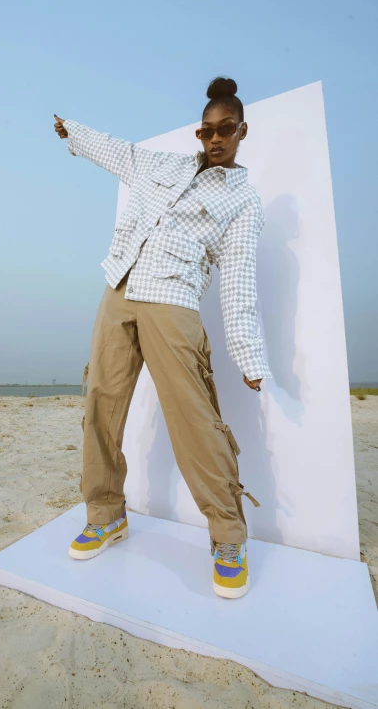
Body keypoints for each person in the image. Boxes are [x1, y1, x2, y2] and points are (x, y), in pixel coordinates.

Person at [53, 76, 272, 599]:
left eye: (225, 130)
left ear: (243, 131)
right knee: (100, 405)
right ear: (198, 134)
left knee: (195, 422)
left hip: (174, 303)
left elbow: (239, 282)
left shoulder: (244, 202)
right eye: (206, 131)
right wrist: (73, 133)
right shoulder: (162, 166)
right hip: (118, 290)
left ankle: (228, 537)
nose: (215, 139)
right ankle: (106, 514)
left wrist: (248, 354)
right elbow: (118, 151)